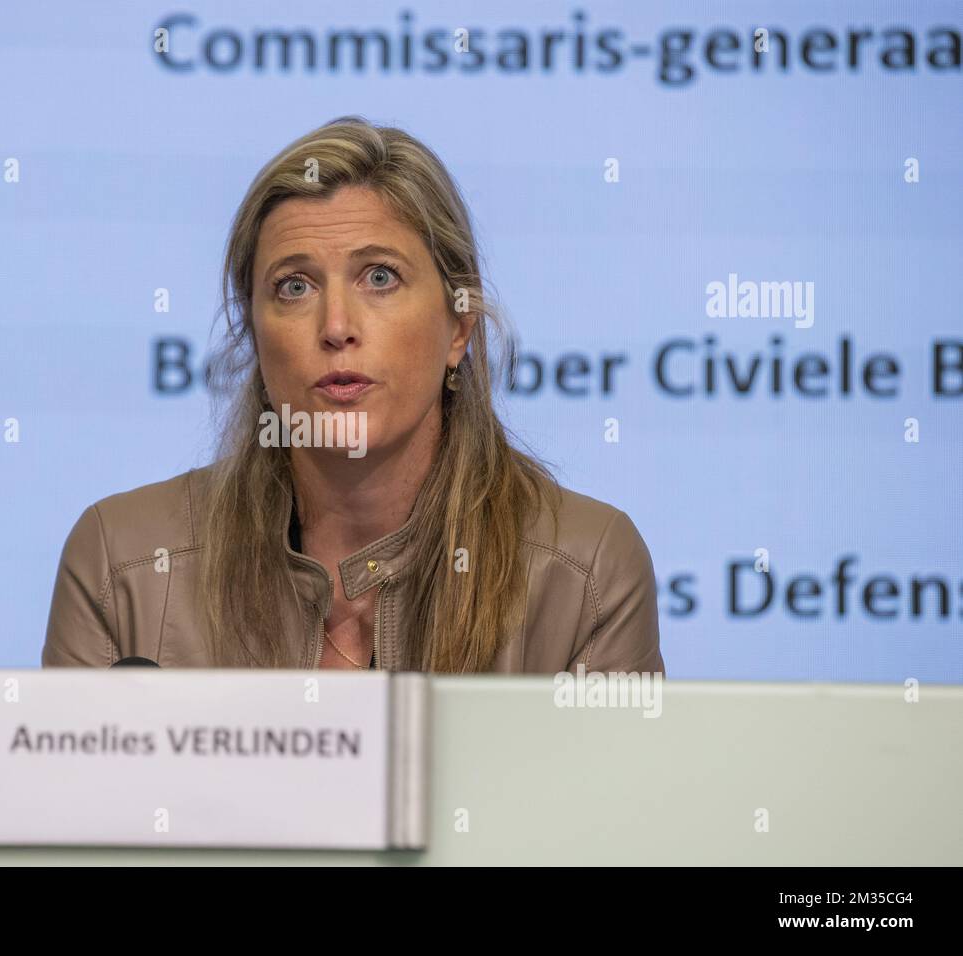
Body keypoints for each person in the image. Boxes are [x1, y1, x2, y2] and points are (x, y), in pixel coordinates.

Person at [43, 116, 664, 675]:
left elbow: (606, 803)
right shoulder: (124, 562)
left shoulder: (585, 571)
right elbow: (73, 804)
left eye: (380, 277)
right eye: (294, 287)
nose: (336, 325)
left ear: (460, 326)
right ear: (254, 334)